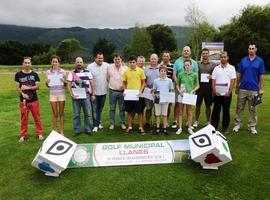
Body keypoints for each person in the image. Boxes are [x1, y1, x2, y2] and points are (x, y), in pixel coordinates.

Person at [233, 43, 266, 134]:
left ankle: (252, 126)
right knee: (239, 107)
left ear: (256, 50)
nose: (251, 50)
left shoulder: (260, 61)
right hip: (242, 88)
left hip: (254, 89)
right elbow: (239, 74)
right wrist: (237, 86)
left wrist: (260, 88)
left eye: (253, 48)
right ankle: (237, 124)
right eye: (249, 48)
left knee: (253, 109)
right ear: (248, 50)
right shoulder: (243, 60)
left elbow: (262, 75)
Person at [15, 57, 43, 142]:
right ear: (23, 64)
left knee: (37, 117)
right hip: (23, 101)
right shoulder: (18, 75)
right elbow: (17, 87)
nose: (27, 64)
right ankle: (23, 135)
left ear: (31, 64)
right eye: (25, 63)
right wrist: (23, 94)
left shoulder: (34, 74)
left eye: (28, 63)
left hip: (34, 100)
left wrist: (28, 87)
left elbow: (37, 87)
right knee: (24, 118)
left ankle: (39, 134)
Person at [67, 57, 95, 136]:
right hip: (76, 97)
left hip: (86, 96)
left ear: (83, 63)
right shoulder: (71, 73)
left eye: (80, 62)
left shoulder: (88, 72)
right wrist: (72, 95)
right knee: (76, 114)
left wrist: (93, 94)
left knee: (88, 114)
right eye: (78, 62)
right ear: (75, 63)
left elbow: (92, 83)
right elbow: (68, 85)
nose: (79, 64)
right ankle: (77, 131)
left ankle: (88, 130)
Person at [172, 46, 199, 129]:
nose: (186, 52)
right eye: (184, 50)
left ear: (190, 52)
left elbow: (196, 76)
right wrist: (178, 86)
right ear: (182, 52)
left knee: (189, 108)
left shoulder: (194, 62)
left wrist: (193, 89)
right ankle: (175, 121)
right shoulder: (177, 61)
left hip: (190, 88)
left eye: (188, 51)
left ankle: (188, 123)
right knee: (178, 105)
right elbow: (174, 74)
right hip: (180, 88)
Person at [210, 52, 236, 134]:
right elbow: (213, 80)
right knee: (216, 110)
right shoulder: (216, 68)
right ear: (220, 58)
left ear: (227, 58)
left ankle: (225, 127)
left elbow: (232, 80)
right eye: (221, 57)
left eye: (224, 57)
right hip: (217, 93)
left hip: (227, 93)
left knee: (226, 110)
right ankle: (213, 126)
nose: (223, 58)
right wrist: (214, 91)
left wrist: (229, 91)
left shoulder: (231, 68)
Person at [123, 55, 146, 135]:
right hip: (129, 95)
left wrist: (140, 91)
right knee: (129, 111)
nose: (132, 64)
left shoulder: (140, 71)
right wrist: (125, 90)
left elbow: (143, 82)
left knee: (140, 112)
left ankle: (140, 127)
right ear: (128, 63)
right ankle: (129, 126)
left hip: (138, 95)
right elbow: (124, 82)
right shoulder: (126, 72)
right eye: (130, 62)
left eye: (133, 62)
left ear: (136, 62)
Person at [193, 48, 216, 128]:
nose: (205, 55)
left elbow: (216, 75)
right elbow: (194, 74)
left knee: (208, 105)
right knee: (198, 105)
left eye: (206, 53)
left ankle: (208, 121)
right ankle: (196, 120)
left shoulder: (213, 64)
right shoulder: (197, 63)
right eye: (204, 53)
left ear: (208, 54)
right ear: (202, 54)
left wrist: (212, 76)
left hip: (208, 88)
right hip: (199, 87)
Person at [87, 52, 109, 132]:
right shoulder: (90, 67)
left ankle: (98, 123)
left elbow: (115, 67)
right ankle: (95, 125)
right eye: (99, 58)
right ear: (95, 58)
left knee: (100, 109)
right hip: (94, 93)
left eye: (102, 58)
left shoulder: (107, 65)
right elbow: (88, 80)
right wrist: (91, 93)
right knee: (95, 109)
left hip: (103, 92)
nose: (100, 60)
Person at [176, 59, 199, 135]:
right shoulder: (180, 74)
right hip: (181, 95)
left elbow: (197, 85)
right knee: (180, 112)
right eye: (185, 65)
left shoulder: (194, 75)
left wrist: (193, 91)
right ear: (184, 66)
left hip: (190, 96)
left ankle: (189, 127)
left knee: (189, 112)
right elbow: (177, 85)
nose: (187, 66)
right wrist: (179, 91)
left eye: (188, 65)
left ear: (191, 66)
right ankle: (180, 128)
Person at [45, 55, 66, 135]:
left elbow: (65, 84)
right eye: (53, 61)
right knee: (55, 113)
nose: (55, 63)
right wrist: (46, 83)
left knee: (61, 113)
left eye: (56, 62)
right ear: (51, 62)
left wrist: (64, 81)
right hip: (52, 94)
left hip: (61, 94)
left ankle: (62, 131)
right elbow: (48, 85)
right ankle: (55, 131)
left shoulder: (63, 72)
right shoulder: (48, 72)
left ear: (59, 63)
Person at [107, 53, 128, 130]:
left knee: (122, 108)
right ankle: (112, 124)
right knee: (112, 108)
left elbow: (127, 79)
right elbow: (108, 78)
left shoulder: (125, 68)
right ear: (113, 60)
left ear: (121, 59)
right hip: (112, 90)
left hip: (122, 91)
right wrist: (113, 84)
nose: (117, 60)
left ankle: (122, 123)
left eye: (118, 59)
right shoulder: (109, 67)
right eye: (115, 59)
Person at [152, 65, 174, 134]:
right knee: (158, 114)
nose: (163, 72)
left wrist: (170, 97)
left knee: (165, 115)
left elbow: (171, 90)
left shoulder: (169, 80)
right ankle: (158, 127)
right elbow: (154, 89)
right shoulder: (156, 81)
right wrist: (153, 93)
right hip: (157, 99)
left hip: (165, 100)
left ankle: (165, 128)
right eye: (161, 71)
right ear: (159, 72)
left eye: (164, 71)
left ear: (166, 72)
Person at [144, 53, 160, 129]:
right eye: (152, 58)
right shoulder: (146, 69)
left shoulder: (161, 67)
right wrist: (148, 88)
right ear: (150, 59)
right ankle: (147, 122)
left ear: (157, 59)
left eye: (155, 58)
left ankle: (156, 123)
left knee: (157, 108)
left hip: (158, 92)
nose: (153, 60)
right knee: (148, 108)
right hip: (148, 91)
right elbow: (144, 81)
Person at [160, 50, 174, 127]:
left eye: (167, 56)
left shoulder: (172, 66)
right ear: (162, 57)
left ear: (169, 57)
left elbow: (173, 78)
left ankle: (166, 121)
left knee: (168, 106)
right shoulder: (159, 66)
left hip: (168, 90)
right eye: (164, 56)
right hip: (159, 90)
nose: (165, 57)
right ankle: (158, 121)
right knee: (158, 105)